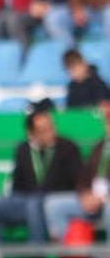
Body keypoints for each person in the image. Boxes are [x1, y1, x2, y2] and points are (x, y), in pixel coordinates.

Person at [0, 107, 82, 244]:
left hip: (53, 201)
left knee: (34, 204)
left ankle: (37, 256)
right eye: (43, 131)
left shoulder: (68, 148)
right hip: (26, 200)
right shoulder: (23, 150)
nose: (50, 133)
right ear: (31, 133)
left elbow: (76, 182)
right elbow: (17, 185)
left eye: (51, 127)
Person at [43, 100, 110, 240]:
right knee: (54, 205)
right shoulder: (100, 146)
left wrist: (103, 198)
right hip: (92, 197)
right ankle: (74, 257)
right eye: (107, 122)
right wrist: (84, 194)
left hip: (106, 200)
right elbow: (83, 176)